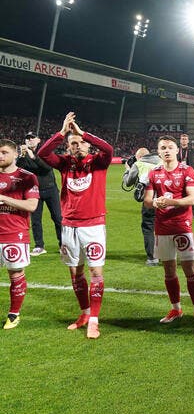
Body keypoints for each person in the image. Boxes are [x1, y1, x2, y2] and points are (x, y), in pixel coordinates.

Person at [38, 112, 112, 339]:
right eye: (73, 144)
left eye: (80, 143)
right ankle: (84, 314)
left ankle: (94, 321)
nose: (77, 146)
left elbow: (108, 149)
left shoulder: (98, 162)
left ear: (87, 146)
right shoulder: (63, 164)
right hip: (69, 225)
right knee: (75, 272)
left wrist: (83, 134)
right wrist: (62, 133)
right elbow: (42, 153)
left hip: (93, 225)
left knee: (95, 272)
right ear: (68, 147)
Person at [144, 136, 194, 326]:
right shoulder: (153, 173)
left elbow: (192, 199)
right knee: (169, 270)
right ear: (158, 151)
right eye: (162, 147)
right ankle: (176, 308)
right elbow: (147, 201)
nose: (166, 150)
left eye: (170, 147)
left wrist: (171, 202)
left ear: (177, 150)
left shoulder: (186, 170)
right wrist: (155, 202)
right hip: (162, 228)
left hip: (182, 227)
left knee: (189, 269)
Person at [0, 140, 39, 329]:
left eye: (4, 152)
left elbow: (32, 206)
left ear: (16, 154)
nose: (0, 156)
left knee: (15, 274)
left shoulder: (27, 177)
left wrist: (4, 198)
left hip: (14, 233)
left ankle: (14, 314)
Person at [16, 133, 61, 256]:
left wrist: (32, 154)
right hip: (34, 191)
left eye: (32, 138)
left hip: (51, 190)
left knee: (58, 218)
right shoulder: (24, 156)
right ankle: (39, 246)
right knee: (36, 220)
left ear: (38, 140)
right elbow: (19, 170)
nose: (30, 140)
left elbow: (46, 168)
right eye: (27, 138)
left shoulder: (44, 152)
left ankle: (63, 245)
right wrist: (21, 155)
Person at [122, 147, 162, 266]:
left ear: (139, 157)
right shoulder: (162, 162)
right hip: (166, 200)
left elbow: (128, 182)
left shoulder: (138, 164)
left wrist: (127, 170)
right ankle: (171, 255)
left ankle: (153, 258)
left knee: (149, 227)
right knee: (166, 228)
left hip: (150, 200)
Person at [178, 133, 194, 218]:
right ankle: (180, 213)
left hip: (190, 175)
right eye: (182, 139)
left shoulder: (192, 150)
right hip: (179, 175)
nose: (184, 140)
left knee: (191, 193)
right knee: (179, 194)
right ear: (180, 140)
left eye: (185, 139)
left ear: (188, 141)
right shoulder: (177, 151)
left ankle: (193, 214)